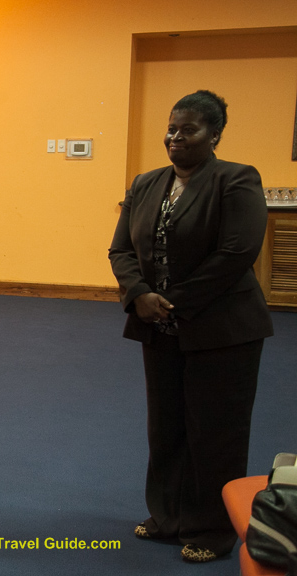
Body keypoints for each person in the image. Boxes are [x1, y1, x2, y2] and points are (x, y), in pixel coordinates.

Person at [108, 90, 273, 563]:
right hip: (158, 327)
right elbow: (121, 249)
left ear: (214, 135)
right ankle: (168, 517)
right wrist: (139, 294)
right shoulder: (145, 183)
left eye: (188, 130)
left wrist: (171, 302)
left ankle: (213, 529)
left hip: (223, 329)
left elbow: (236, 253)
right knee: (166, 428)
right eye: (171, 128)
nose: (175, 137)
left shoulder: (236, 180)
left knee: (215, 433)